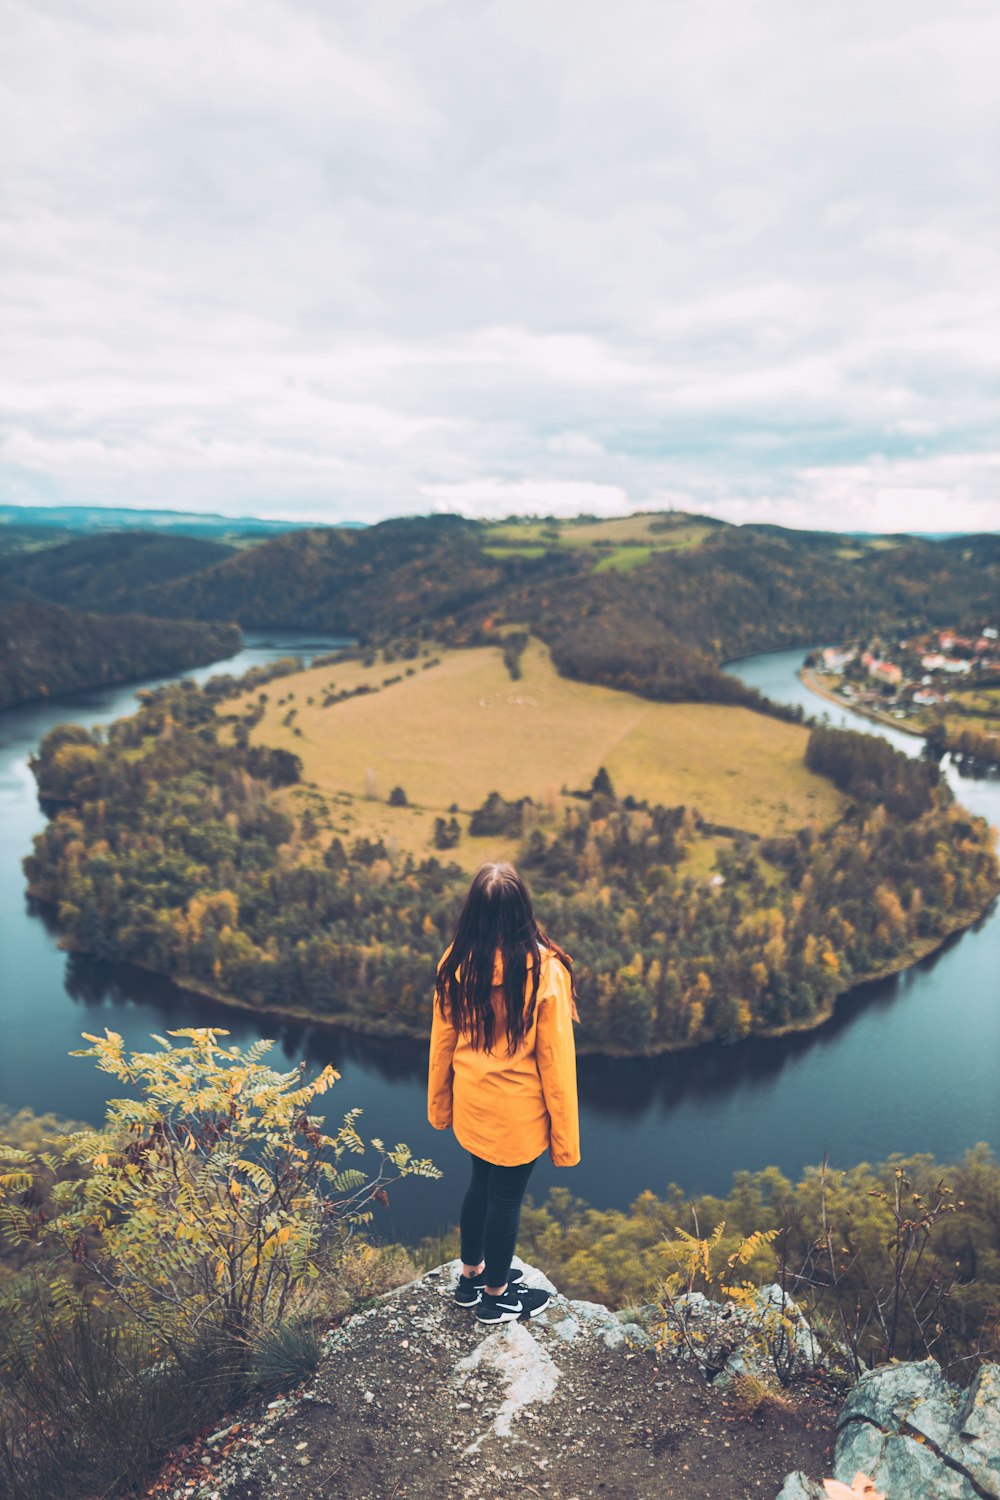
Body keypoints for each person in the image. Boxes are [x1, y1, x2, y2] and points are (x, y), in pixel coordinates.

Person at [427, 861, 580, 1325]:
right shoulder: (545, 971)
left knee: (480, 1185)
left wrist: (440, 1106)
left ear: (473, 909)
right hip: (518, 1112)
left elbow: (442, 1042)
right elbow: (557, 1064)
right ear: (521, 912)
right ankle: (496, 1296)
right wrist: (566, 1140)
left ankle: (471, 1276)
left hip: (473, 1100)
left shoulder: (456, 961)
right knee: (506, 1200)